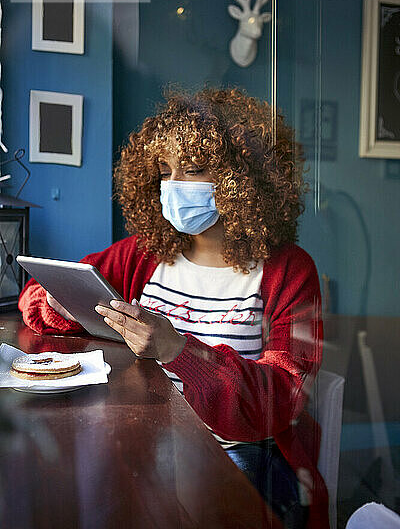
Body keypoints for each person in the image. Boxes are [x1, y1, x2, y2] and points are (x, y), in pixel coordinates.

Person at [18, 85, 329, 529]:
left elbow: (281, 396)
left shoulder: (289, 271)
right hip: (141, 443)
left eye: (195, 169)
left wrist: (178, 350)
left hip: (232, 457)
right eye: (165, 170)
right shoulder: (144, 254)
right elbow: (45, 289)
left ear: (244, 177)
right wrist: (60, 304)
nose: (173, 187)